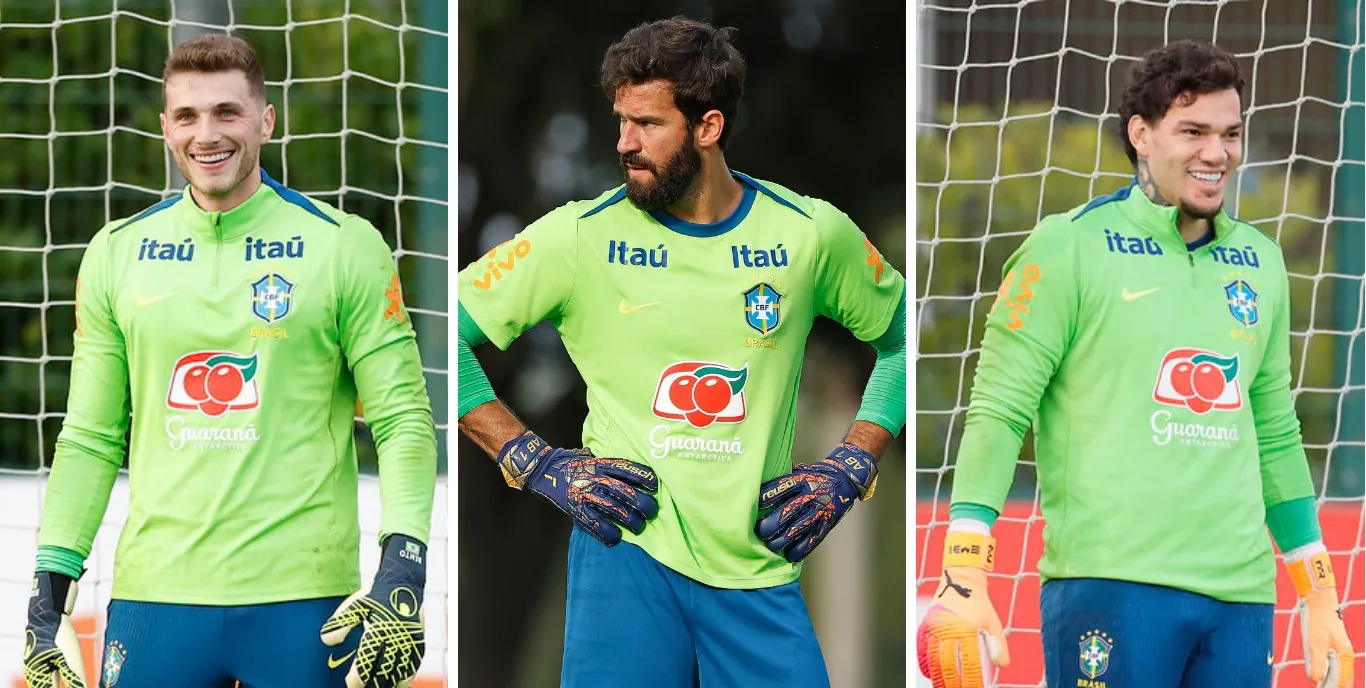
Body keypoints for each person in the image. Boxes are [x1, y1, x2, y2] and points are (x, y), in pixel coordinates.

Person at [456, 15, 906, 688]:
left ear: (708, 127)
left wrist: (850, 465)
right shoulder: (579, 237)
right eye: (619, 121)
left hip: (758, 569)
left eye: (647, 124)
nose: (624, 144)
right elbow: (429, 334)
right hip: (624, 564)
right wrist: (531, 459)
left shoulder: (812, 235)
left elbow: (903, 347)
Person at [916, 39, 1354, 688]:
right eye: (1194, 131)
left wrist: (1319, 594)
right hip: (1110, 586)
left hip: (1240, 598)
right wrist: (965, 569)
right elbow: (1000, 410)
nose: (1217, 152)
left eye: (1231, 133)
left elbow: (1275, 434)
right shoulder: (1068, 246)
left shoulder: (1261, 264)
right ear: (1141, 135)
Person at [20, 33, 436, 688]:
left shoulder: (345, 247)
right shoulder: (115, 253)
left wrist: (403, 568)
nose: (206, 135)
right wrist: (47, 598)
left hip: (307, 602)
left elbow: (403, 421)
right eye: (187, 116)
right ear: (164, 127)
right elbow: (91, 439)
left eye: (226, 113)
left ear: (267, 121)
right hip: (156, 599)